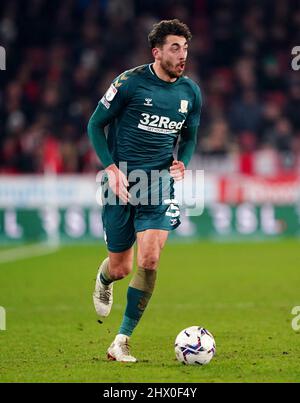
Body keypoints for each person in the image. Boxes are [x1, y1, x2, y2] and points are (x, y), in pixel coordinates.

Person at [87, 19, 202, 362]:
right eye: (175, 48)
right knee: (121, 267)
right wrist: (110, 168)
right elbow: (95, 124)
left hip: (158, 183)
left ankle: (121, 340)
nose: (183, 55)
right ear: (157, 52)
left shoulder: (190, 92)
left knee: (150, 257)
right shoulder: (129, 83)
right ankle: (104, 278)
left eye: (185, 48)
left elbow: (191, 135)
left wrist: (183, 161)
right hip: (121, 183)